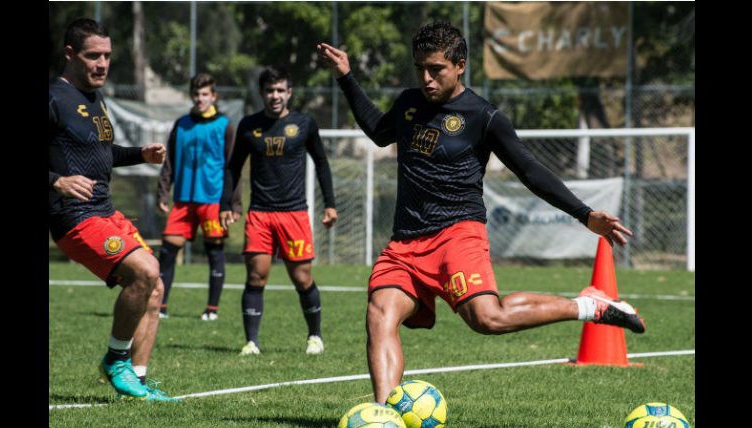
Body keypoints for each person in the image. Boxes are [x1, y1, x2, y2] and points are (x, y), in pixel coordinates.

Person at [317, 21, 645, 404]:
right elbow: (378, 131)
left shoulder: (483, 116)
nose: (426, 78)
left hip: (458, 233)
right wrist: (346, 77)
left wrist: (584, 214)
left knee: (489, 318)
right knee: (380, 314)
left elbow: (530, 171)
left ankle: (590, 305)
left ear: (460, 65)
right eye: (419, 67)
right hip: (405, 242)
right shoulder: (409, 103)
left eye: (436, 69)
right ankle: (384, 416)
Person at [49, 18, 178, 402]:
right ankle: (114, 360)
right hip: (73, 216)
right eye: (93, 56)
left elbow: (100, 154)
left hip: (104, 211)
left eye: (107, 55)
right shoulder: (54, 98)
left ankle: (135, 379)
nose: (102, 63)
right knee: (146, 270)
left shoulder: (95, 98)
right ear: (70, 54)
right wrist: (56, 180)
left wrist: (140, 154)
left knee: (155, 288)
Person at [220, 65, 337, 356]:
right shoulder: (249, 125)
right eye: (270, 90)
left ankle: (315, 336)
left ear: (289, 92)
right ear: (262, 93)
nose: (275, 96)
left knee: (302, 278)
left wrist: (331, 204)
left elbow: (321, 163)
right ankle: (251, 343)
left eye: (280, 90)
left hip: (294, 213)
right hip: (260, 213)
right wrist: (227, 204)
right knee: (256, 276)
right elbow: (233, 168)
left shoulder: (305, 123)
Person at [156, 73, 242, 321]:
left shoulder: (225, 125)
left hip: (213, 201)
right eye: (196, 94)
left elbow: (232, 167)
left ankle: (211, 309)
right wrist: (163, 190)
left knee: (214, 253)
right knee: (168, 251)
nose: (200, 98)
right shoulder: (181, 124)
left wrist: (233, 203)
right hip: (183, 200)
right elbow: (169, 161)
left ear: (214, 96)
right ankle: (161, 306)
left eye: (205, 94)